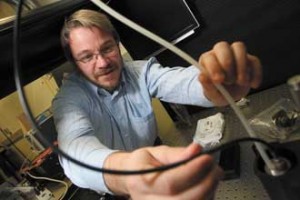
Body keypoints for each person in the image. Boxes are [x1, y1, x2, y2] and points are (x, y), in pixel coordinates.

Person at [52, 9, 262, 199]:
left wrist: (218, 82)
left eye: (107, 48)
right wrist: (128, 174)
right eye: (87, 57)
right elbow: (74, 152)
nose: (103, 63)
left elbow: (182, 82)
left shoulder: (140, 72)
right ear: (75, 63)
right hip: (113, 189)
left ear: (117, 43)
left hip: (152, 165)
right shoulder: (69, 98)